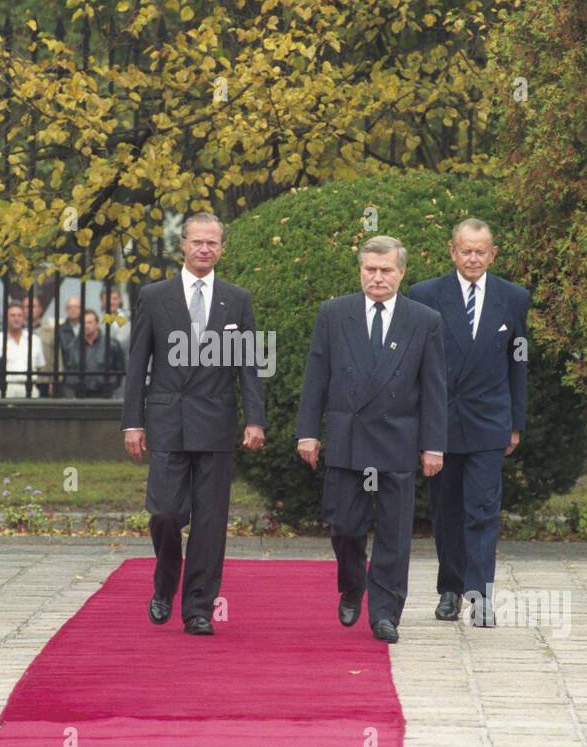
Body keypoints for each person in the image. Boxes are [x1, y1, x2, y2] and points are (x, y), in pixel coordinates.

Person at [296, 235, 447, 644]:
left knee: (395, 534)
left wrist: (434, 445)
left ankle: (385, 613)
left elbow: (434, 388)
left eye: (386, 271)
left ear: (401, 273)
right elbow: (317, 377)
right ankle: (351, 583)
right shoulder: (334, 313)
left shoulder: (424, 320)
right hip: (348, 440)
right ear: (360, 270)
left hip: (397, 441)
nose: (377, 278)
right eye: (370, 270)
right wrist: (308, 431)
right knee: (344, 527)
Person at [121, 212, 266, 635]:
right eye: (197, 242)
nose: (205, 249)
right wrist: (133, 422)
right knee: (166, 512)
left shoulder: (237, 299)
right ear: (182, 244)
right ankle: (166, 582)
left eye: (213, 243)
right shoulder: (154, 296)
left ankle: (199, 608)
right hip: (167, 420)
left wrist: (254, 419)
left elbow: (249, 366)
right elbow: (137, 364)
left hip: (216, 422)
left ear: (222, 248)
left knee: (209, 521)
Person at [406, 218, 529, 628]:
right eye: (465, 250)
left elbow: (519, 363)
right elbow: (416, 365)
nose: (473, 258)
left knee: (482, 509)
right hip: (441, 422)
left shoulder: (513, 298)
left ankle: (480, 594)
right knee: (446, 511)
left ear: (493, 253)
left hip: (489, 420)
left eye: (481, 251)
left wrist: (515, 420)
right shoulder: (425, 294)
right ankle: (449, 589)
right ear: (452, 251)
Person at [0, 302, 44, 398]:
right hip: (6, 388)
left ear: (24, 317)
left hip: (30, 388)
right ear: (6, 318)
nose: (16, 318)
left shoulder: (35, 340)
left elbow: (39, 366)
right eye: (12, 315)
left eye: (19, 315)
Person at [64, 308, 125, 397]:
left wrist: (111, 384)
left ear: (97, 324)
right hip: (80, 395)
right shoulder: (72, 346)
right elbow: (68, 370)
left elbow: (120, 369)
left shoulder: (111, 345)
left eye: (90, 322)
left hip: (105, 394)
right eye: (84, 323)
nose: (86, 326)